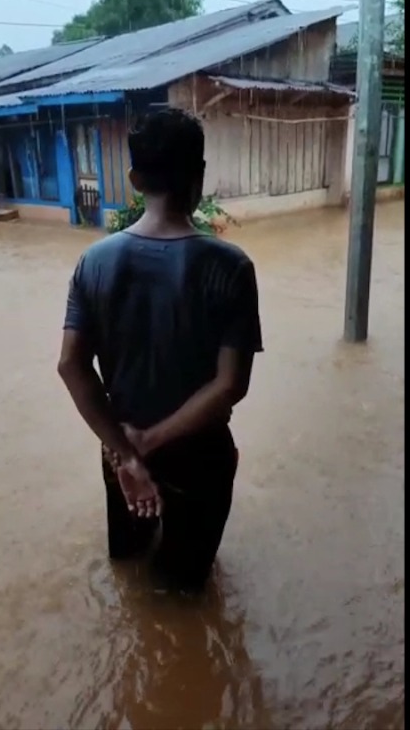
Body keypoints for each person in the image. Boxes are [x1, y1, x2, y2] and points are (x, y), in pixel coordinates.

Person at [56, 108, 263, 593]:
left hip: (119, 452)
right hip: (198, 459)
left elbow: (71, 365)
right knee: (186, 589)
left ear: (134, 179)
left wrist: (128, 452)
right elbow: (231, 384)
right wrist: (148, 444)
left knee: (128, 576)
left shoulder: (94, 261)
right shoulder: (231, 266)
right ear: (200, 177)